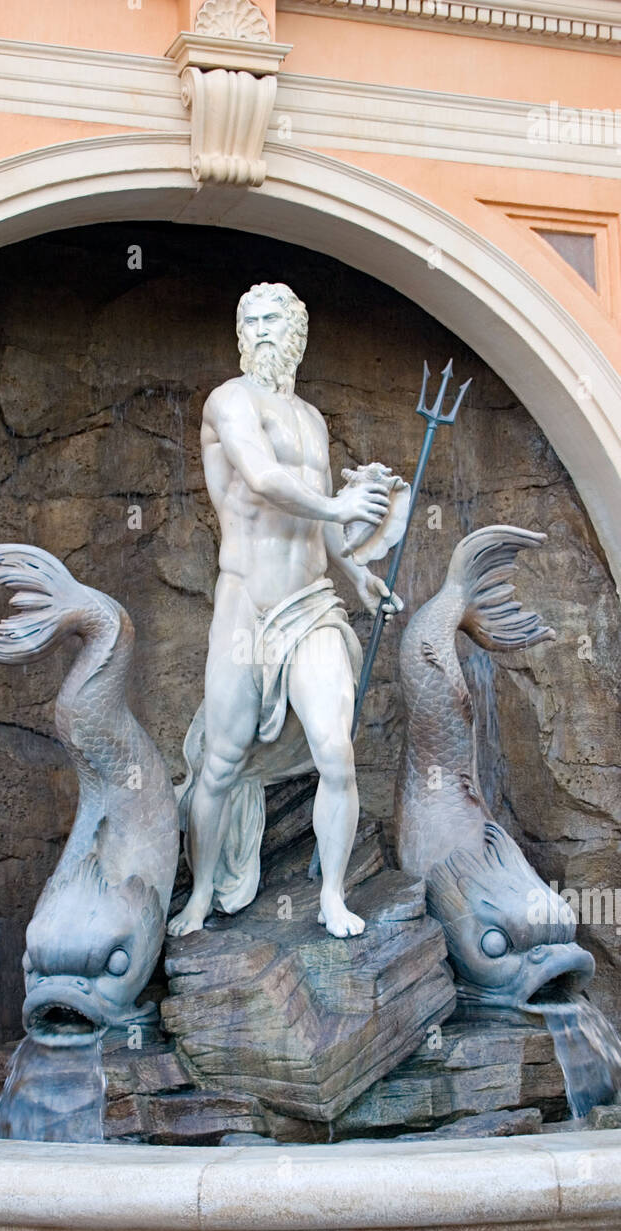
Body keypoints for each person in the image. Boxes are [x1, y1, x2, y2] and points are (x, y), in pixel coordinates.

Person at [167, 282, 402, 939]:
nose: (262, 329)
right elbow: (266, 479)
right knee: (221, 763)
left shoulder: (313, 418)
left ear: (297, 329)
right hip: (248, 605)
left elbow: (320, 510)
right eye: (251, 319)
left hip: (312, 605)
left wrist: (357, 575)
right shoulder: (229, 402)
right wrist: (339, 510)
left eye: (274, 318)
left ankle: (331, 896)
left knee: (336, 751)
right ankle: (201, 891)